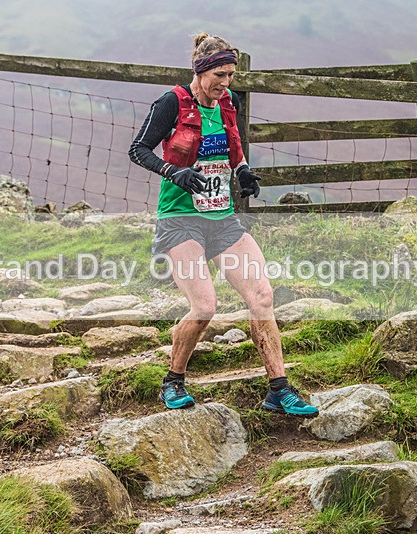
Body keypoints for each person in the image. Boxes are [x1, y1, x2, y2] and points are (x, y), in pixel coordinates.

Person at [128, 33, 318, 417]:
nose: (226, 82)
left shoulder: (228, 102)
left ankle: (279, 390)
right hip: (180, 220)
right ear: (200, 71)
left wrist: (242, 170)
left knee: (262, 297)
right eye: (219, 74)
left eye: (231, 75)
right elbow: (138, 149)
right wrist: (173, 172)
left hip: (222, 218)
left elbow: (233, 144)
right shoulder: (172, 103)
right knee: (204, 307)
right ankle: (173, 380)